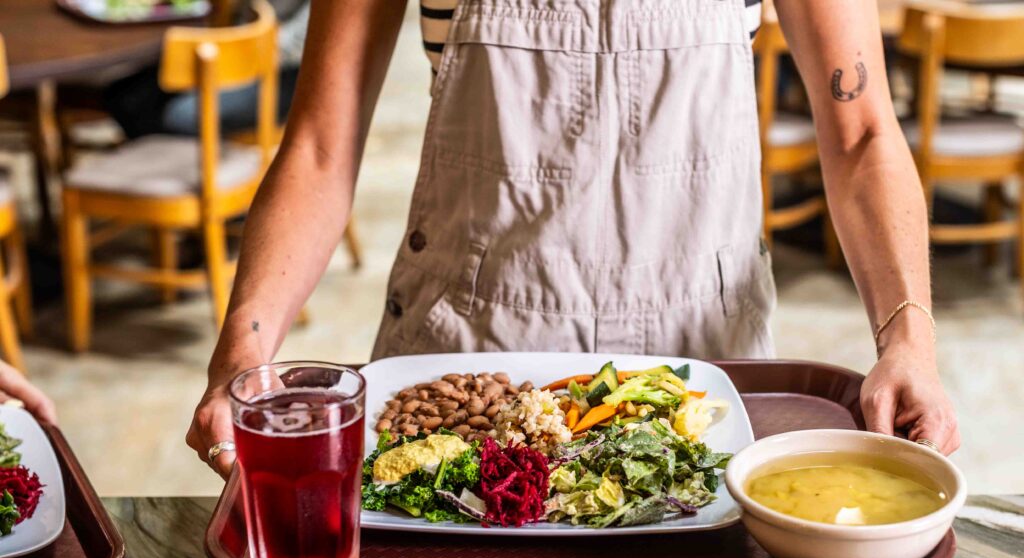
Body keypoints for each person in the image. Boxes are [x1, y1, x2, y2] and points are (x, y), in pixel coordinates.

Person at [188, 0, 960, 477]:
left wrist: (909, 341)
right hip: (467, 372)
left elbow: (861, 134)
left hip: (700, 375)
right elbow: (321, 146)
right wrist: (243, 353)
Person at [103, 0, 310, 138]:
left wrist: (217, 54)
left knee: (177, 117)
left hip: (284, 75)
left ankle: (207, 176)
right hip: (227, 50)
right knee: (124, 96)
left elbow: (295, 46)